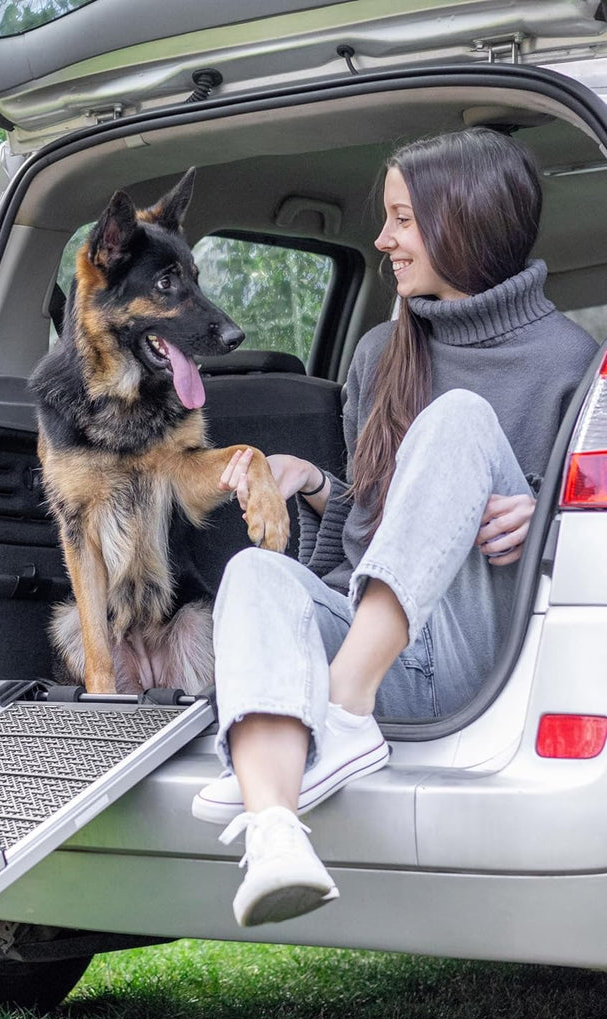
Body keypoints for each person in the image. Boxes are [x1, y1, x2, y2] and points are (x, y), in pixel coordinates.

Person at [191, 126, 600, 929]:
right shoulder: (381, 352)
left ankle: (340, 711)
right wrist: (315, 487)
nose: (382, 240)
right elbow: (377, 531)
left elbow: (591, 533)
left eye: (402, 219)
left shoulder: (572, 361)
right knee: (254, 574)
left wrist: (544, 508)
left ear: (463, 222)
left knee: (457, 420)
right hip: (385, 657)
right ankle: (274, 832)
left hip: (479, 660)